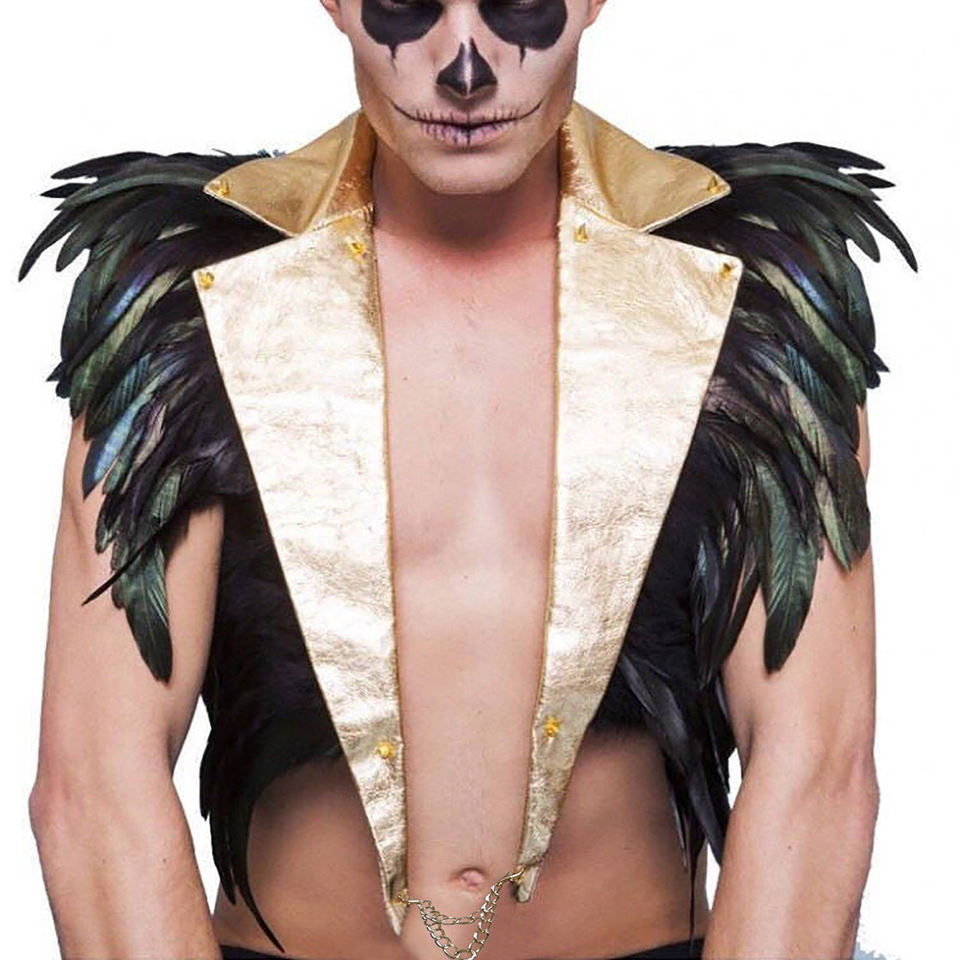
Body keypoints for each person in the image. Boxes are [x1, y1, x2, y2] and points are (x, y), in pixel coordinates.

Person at [20, 1, 916, 959]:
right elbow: (97, 782)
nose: (465, 68)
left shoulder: (747, 294)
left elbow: (814, 766)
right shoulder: (194, 299)